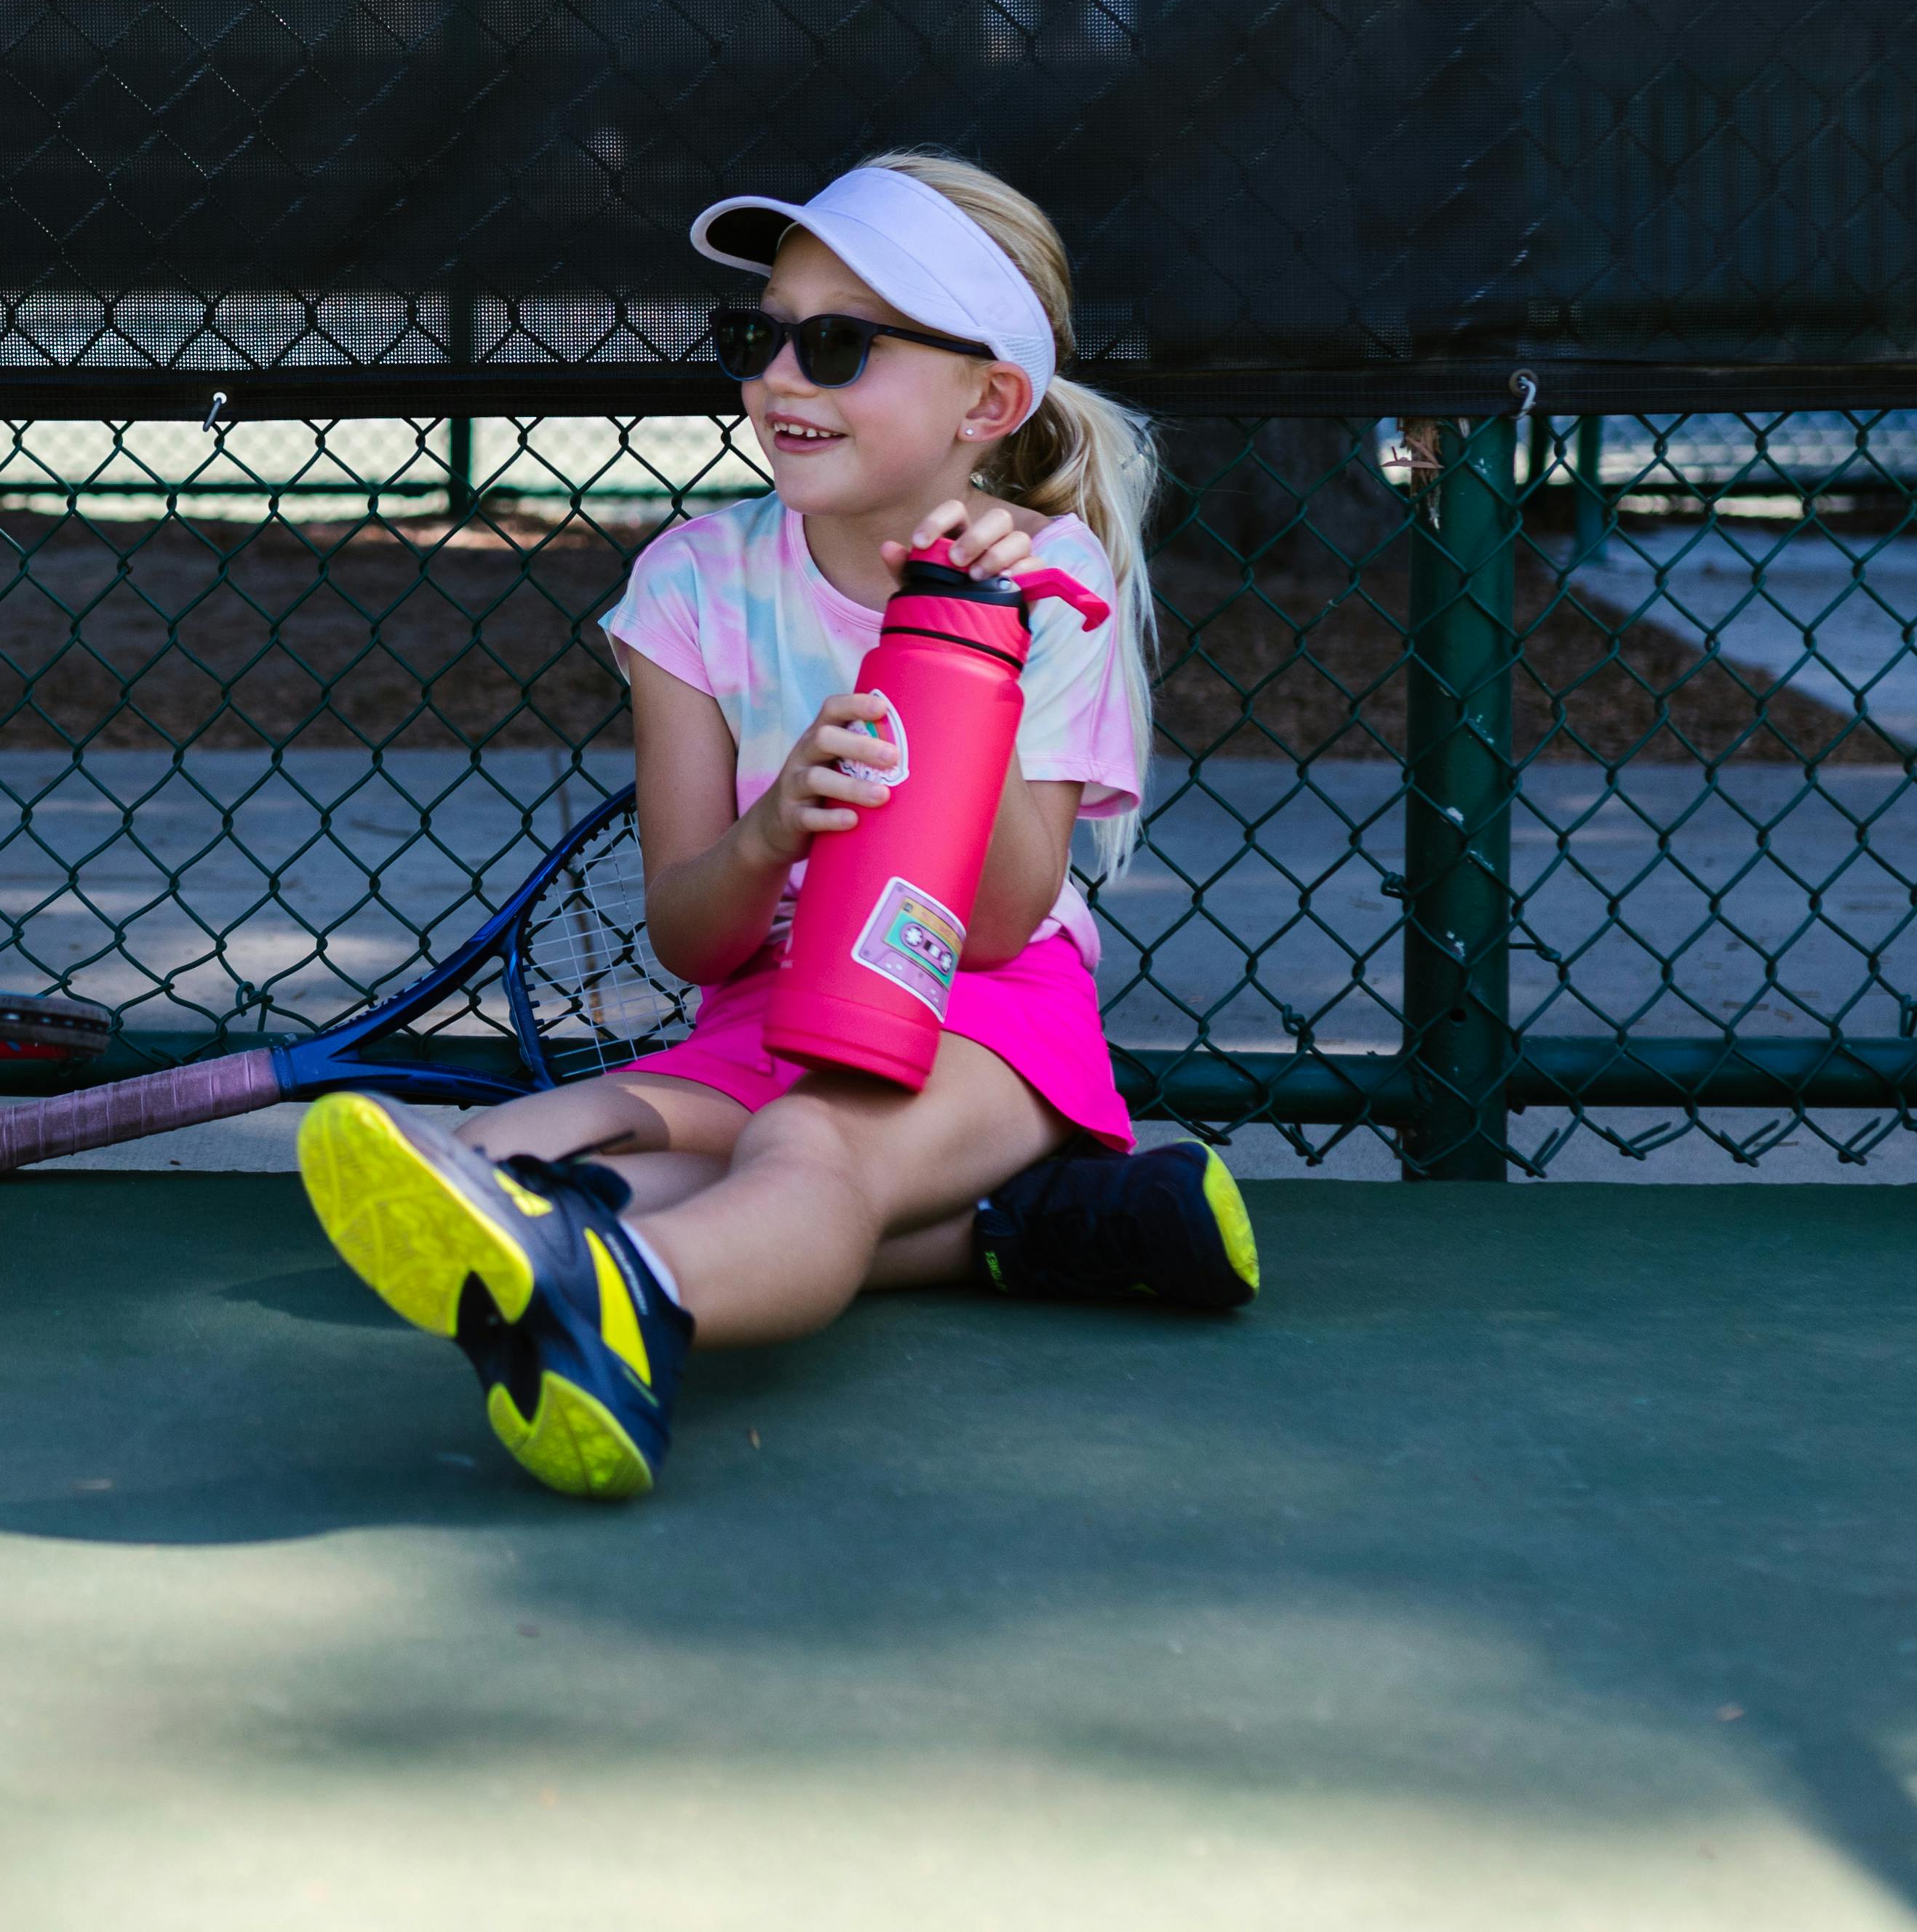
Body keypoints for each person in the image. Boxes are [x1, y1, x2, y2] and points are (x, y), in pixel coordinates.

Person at [298, 150, 1257, 1498]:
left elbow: (990, 924)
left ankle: (637, 1304)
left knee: (805, 1151)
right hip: (767, 1003)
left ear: (989, 399)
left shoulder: (1053, 579)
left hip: (977, 1014)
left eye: (840, 345)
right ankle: (1018, 1230)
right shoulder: (690, 580)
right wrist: (770, 838)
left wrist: (954, 646)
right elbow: (692, 938)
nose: (780, 381)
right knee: (496, 1165)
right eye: (761, 337)